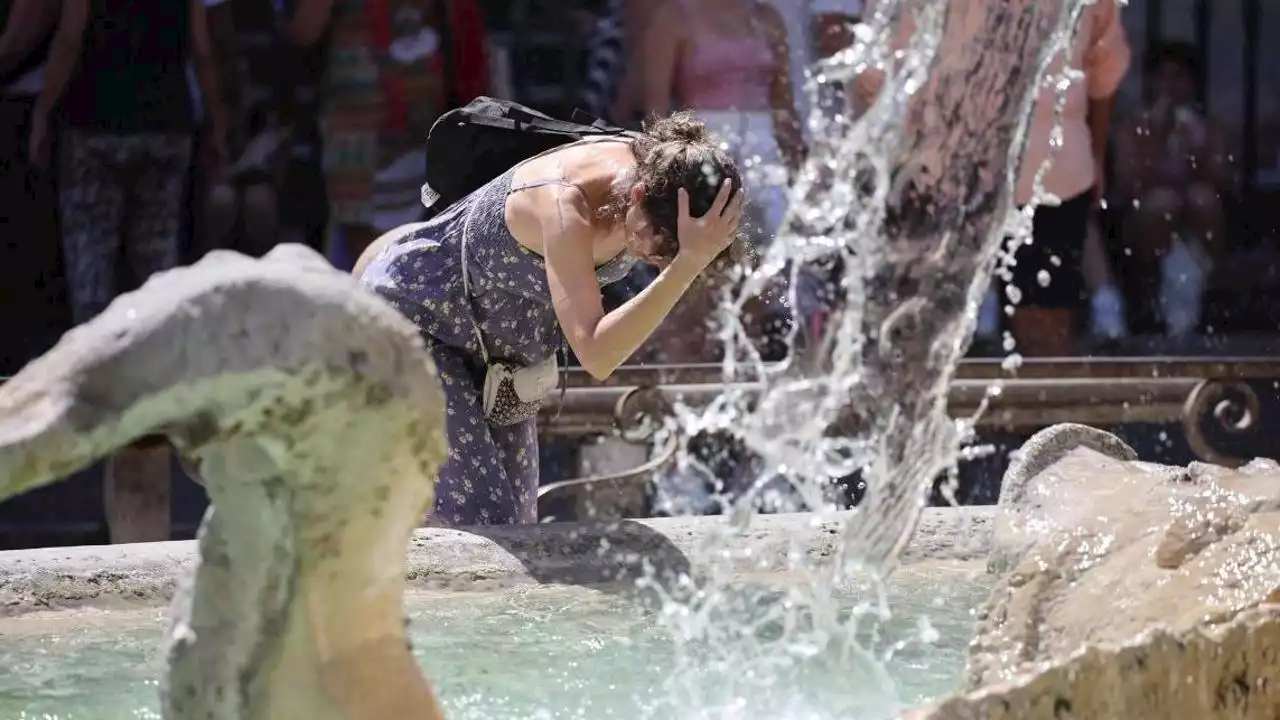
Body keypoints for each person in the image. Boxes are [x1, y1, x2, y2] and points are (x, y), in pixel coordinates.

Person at [359, 113, 747, 526]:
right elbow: (596, 353)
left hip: (499, 360)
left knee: (519, 530)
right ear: (637, 195)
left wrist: (698, 253)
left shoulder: (663, 168)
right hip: (414, 326)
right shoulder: (563, 202)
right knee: (483, 522)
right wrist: (686, 264)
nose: (659, 261)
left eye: (675, 250)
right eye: (662, 245)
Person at [854, 0, 1131, 356]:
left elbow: (878, 71)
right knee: (1025, 332)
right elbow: (1104, 67)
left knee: (928, 333)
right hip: (1028, 165)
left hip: (977, 167)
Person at [287, 0, 489, 267]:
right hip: (358, 134)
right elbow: (306, 29)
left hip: (422, 131)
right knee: (368, 255)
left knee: (418, 248)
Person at [1112, 41, 1234, 337]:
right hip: (1148, 223)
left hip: (1195, 223)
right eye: (1163, 77)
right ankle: (1153, 291)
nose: (1170, 85)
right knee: (1162, 203)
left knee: (1202, 199)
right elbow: (1127, 183)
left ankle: (1195, 282)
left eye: (1179, 77)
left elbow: (1222, 181)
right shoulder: (1133, 128)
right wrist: (1155, 141)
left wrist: (1197, 149)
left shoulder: (1207, 127)